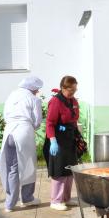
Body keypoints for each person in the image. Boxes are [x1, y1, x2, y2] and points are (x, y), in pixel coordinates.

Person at [0, 76, 43, 212]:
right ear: (33, 88)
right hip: (24, 132)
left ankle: (9, 204)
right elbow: (37, 121)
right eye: (37, 89)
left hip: (9, 132)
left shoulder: (11, 96)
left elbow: (5, 116)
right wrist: (30, 126)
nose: (37, 91)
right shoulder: (34, 99)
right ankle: (27, 198)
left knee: (12, 168)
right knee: (28, 165)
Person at [44, 76, 80, 211]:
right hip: (57, 140)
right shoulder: (55, 101)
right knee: (59, 170)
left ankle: (66, 198)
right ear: (63, 88)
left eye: (75, 90)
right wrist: (52, 141)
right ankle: (55, 201)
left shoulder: (73, 101)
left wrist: (78, 136)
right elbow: (50, 123)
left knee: (70, 170)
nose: (73, 93)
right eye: (71, 90)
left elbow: (74, 119)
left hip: (69, 138)